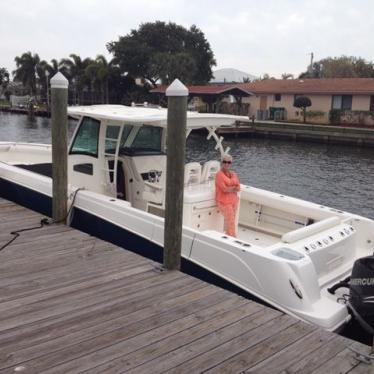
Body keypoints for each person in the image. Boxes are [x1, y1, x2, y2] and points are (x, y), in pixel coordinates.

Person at [215, 154, 240, 237]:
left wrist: (231, 187)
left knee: (232, 220)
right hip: (224, 202)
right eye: (224, 162)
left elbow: (238, 187)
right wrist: (233, 187)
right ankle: (233, 238)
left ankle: (229, 236)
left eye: (228, 162)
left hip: (234, 201)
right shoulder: (219, 175)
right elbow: (224, 189)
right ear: (221, 163)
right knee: (231, 221)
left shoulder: (233, 174)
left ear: (231, 163)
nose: (226, 164)